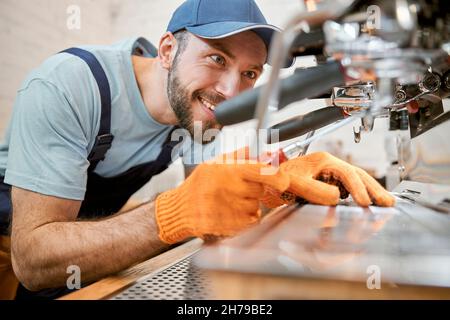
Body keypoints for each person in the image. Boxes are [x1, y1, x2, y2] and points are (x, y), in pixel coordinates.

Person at [0, 0, 394, 299]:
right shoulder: (70, 85)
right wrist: (173, 214)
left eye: (249, 74)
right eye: (216, 57)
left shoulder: (200, 114)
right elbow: (34, 259)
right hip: (15, 241)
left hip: (87, 225)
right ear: (168, 50)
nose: (229, 91)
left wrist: (276, 182)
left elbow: (210, 201)